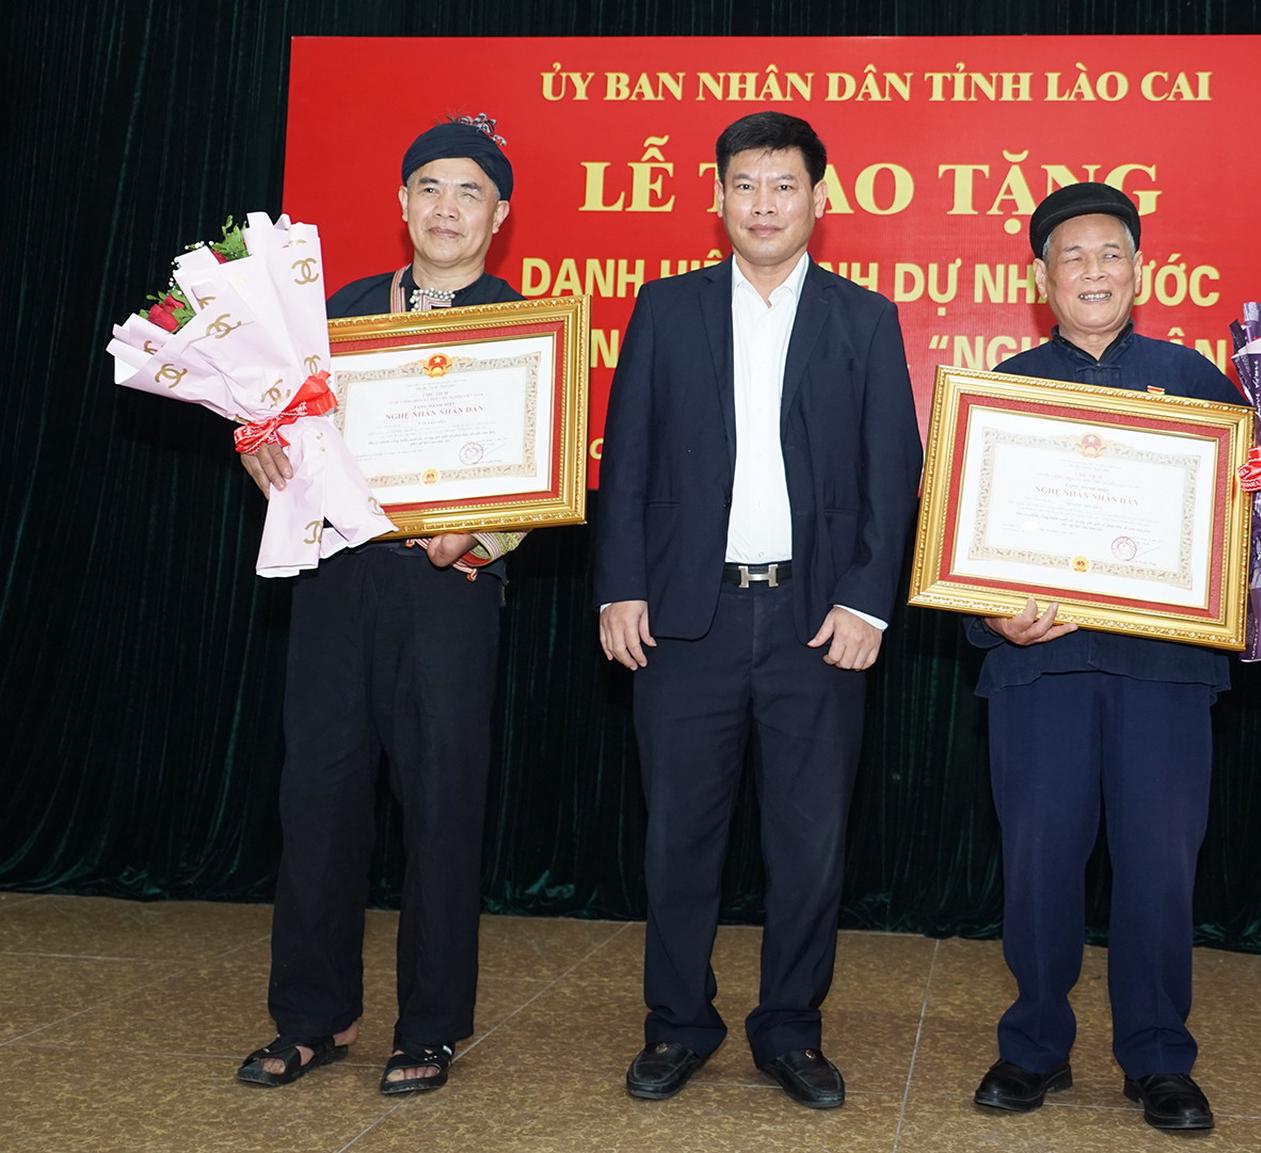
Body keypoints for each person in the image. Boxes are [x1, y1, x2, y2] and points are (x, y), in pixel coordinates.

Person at [967, 183, 1261, 1132]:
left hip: (1167, 675)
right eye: (1072, 256)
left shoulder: (1202, 384)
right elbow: (957, 544)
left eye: (1111, 253)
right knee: (1038, 867)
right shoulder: (1002, 391)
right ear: (1041, 279)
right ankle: (1034, 1046)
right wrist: (990, 618)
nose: (1093, 271)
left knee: (1157, 870)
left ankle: (1157, 1057)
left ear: (1139, 270)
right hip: (1039, 671)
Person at [593, 111, 923, 1110]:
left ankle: (790, 1029)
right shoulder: (666, 308)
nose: (764, 204)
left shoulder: (863, 318)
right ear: (718, 198)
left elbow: (892, 473)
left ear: (818, 199)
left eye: (784, 186)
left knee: (808, 845)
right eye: (745, 184)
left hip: (814, 623)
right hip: (684, 619)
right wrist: (620, 583)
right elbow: (628, 457)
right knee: (677, 840)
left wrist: (867, 599)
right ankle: (677, 1023)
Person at [234, 114, 525, 1097]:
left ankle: (430, 1026)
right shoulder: (340, 315)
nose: (447, 207)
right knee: (317, 797)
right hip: (336, 581)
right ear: (402, 202)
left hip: (450, 589)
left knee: (442, 802)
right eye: (430, 187)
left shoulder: (524, 324)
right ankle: (311, 1017)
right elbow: (280, 430)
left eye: (469, 191)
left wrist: (483, 533)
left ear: (498, 215)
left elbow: (543, 469)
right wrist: (259, 443)